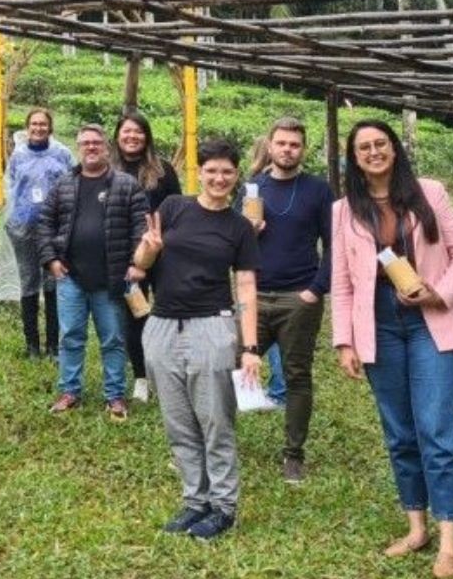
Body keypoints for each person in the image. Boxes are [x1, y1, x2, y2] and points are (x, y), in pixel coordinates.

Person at [331, 119, 453, 579]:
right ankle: (416, 527)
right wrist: (344, 341)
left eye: (380, 144)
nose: (373, 152)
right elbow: (341, 281)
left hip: (430, 321)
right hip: (378, 325)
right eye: (364, 148)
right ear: (354, 159)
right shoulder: (343, 210)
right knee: (399, 433)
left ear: (394, 149)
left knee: (437, 431)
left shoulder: (429, 192)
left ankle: (448, 535)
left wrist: (439, 293)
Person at [133, 138, 261, 541]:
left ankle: (224, 506)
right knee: (178, 421)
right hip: (162, 326)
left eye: (227, 171)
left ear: (236, 175)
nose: (219, 178)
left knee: (215, 420)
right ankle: (195, 499)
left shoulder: (239, 228)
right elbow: (139, 263)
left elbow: (246, 289)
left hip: (213, 327)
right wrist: (150, 249)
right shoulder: (173, 209)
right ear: (199, 173)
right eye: (211, 170)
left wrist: (250, 347)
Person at [241, 118, 334, 485]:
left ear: (303, 149)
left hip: (300, 297)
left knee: (297, 376)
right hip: (255, 295)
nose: (287, 150)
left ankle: (293, 454)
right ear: (270, 145)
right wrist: (246, 231)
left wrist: (316, 289)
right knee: (232, 366)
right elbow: (234, 237)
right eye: (281, 143)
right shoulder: (252, 188)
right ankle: (217, 443)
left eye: (294, 145)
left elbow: (334, 245)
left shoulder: (318, 190)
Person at [36, 123, 148, 420]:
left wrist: (137, 264)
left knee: (112, 339)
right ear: (78, 147)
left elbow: (141, 226)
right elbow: (45, 223)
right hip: (71, 276)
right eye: (85, 143)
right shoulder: (64, 184)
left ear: (107, 147)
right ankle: (69, 391)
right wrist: (51, 260)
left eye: (96, 142)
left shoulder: (126, 185)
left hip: (111, 279)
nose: (91, 147)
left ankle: (115, 396)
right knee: (70, 336)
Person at [113, 111, 182, 404]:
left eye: (138, 132)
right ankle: (141, 376)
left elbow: (178, 211)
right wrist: (133, 262)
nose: (132, 137)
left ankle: (169, 371)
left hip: (164, 255)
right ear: (117, 136)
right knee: (135, 316)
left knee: (167, 314)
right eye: (127, 131)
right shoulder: (108, 170)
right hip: (126, 257)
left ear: (147, 137)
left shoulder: (163, 170)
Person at [4, 107, 73, 358]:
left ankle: (54, 345)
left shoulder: (62, 154)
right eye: (34, 124)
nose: (38, 128)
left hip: (53, 229)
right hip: (23, 227)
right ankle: (32, 344)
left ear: (50, 128)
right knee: (29, 282)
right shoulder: (18, 155)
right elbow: (12, 186)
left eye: (43, 124)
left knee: (53, 282)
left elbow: (71, 187)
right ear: (27, 127)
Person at [245, 135, 288, 410]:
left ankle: (277, 391)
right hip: (256, 276)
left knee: (258, 340)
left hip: (261, 275)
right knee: (270, 341)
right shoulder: (255, 188)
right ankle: (274, 391)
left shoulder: (256, 187)